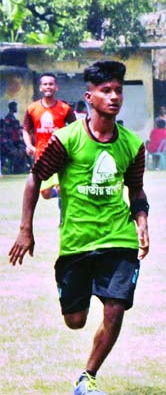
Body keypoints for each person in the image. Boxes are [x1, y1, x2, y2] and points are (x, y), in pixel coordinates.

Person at [9, 60, 149, 395]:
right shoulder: (66, 140)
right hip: (77, 242)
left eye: (117, 90)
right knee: (76, 321)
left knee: (115, 308)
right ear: (90, 97)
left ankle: (87, 376)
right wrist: (26, 229)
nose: (113, 97)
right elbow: (35, 179)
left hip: (119, 237)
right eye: (106, 91)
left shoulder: (132, 145)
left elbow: (137, 190)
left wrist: (142, 222)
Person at [23, 72, 77, 202]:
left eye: (51, 84)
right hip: (41, 156)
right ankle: (61, 195)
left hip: (61, 154)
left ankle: (63, 218)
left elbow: (76, 128)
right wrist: (29, 145)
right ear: (41, 88)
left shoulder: (65, 108)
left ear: (56, 87)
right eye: (45, 84)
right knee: (46, 193)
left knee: (61, 187)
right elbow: (25, 129)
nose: (48, 86)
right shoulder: (32, 109)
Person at [2, 101, 30, 174]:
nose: (16, 108)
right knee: (17, 153)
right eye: (15, 106)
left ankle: (23, 168)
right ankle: (17, 169)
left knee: (24, 151)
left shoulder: (13, 117)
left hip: (16, 140)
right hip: (11, 141)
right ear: (12, 107)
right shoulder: (8, 117)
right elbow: (7, 129)